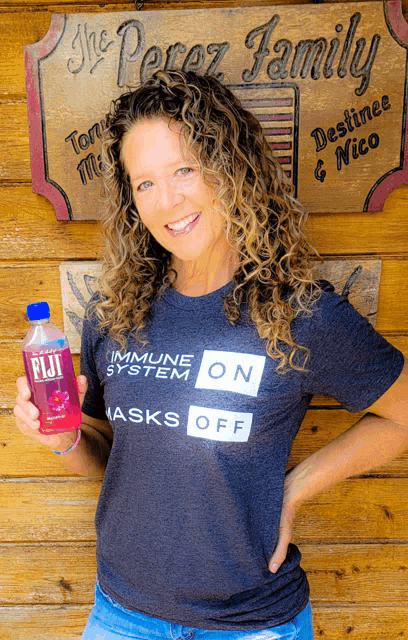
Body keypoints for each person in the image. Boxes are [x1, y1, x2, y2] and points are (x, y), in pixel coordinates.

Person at [14, 70, 408, 640]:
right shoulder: (115, 312)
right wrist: (65, 437)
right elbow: (110, 457)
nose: (167, 200)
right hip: (120, 614)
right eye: (144, 183)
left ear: (231, 169)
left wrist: (295, 489)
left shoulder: (300, 314)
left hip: (249, 622)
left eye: (185, 170)